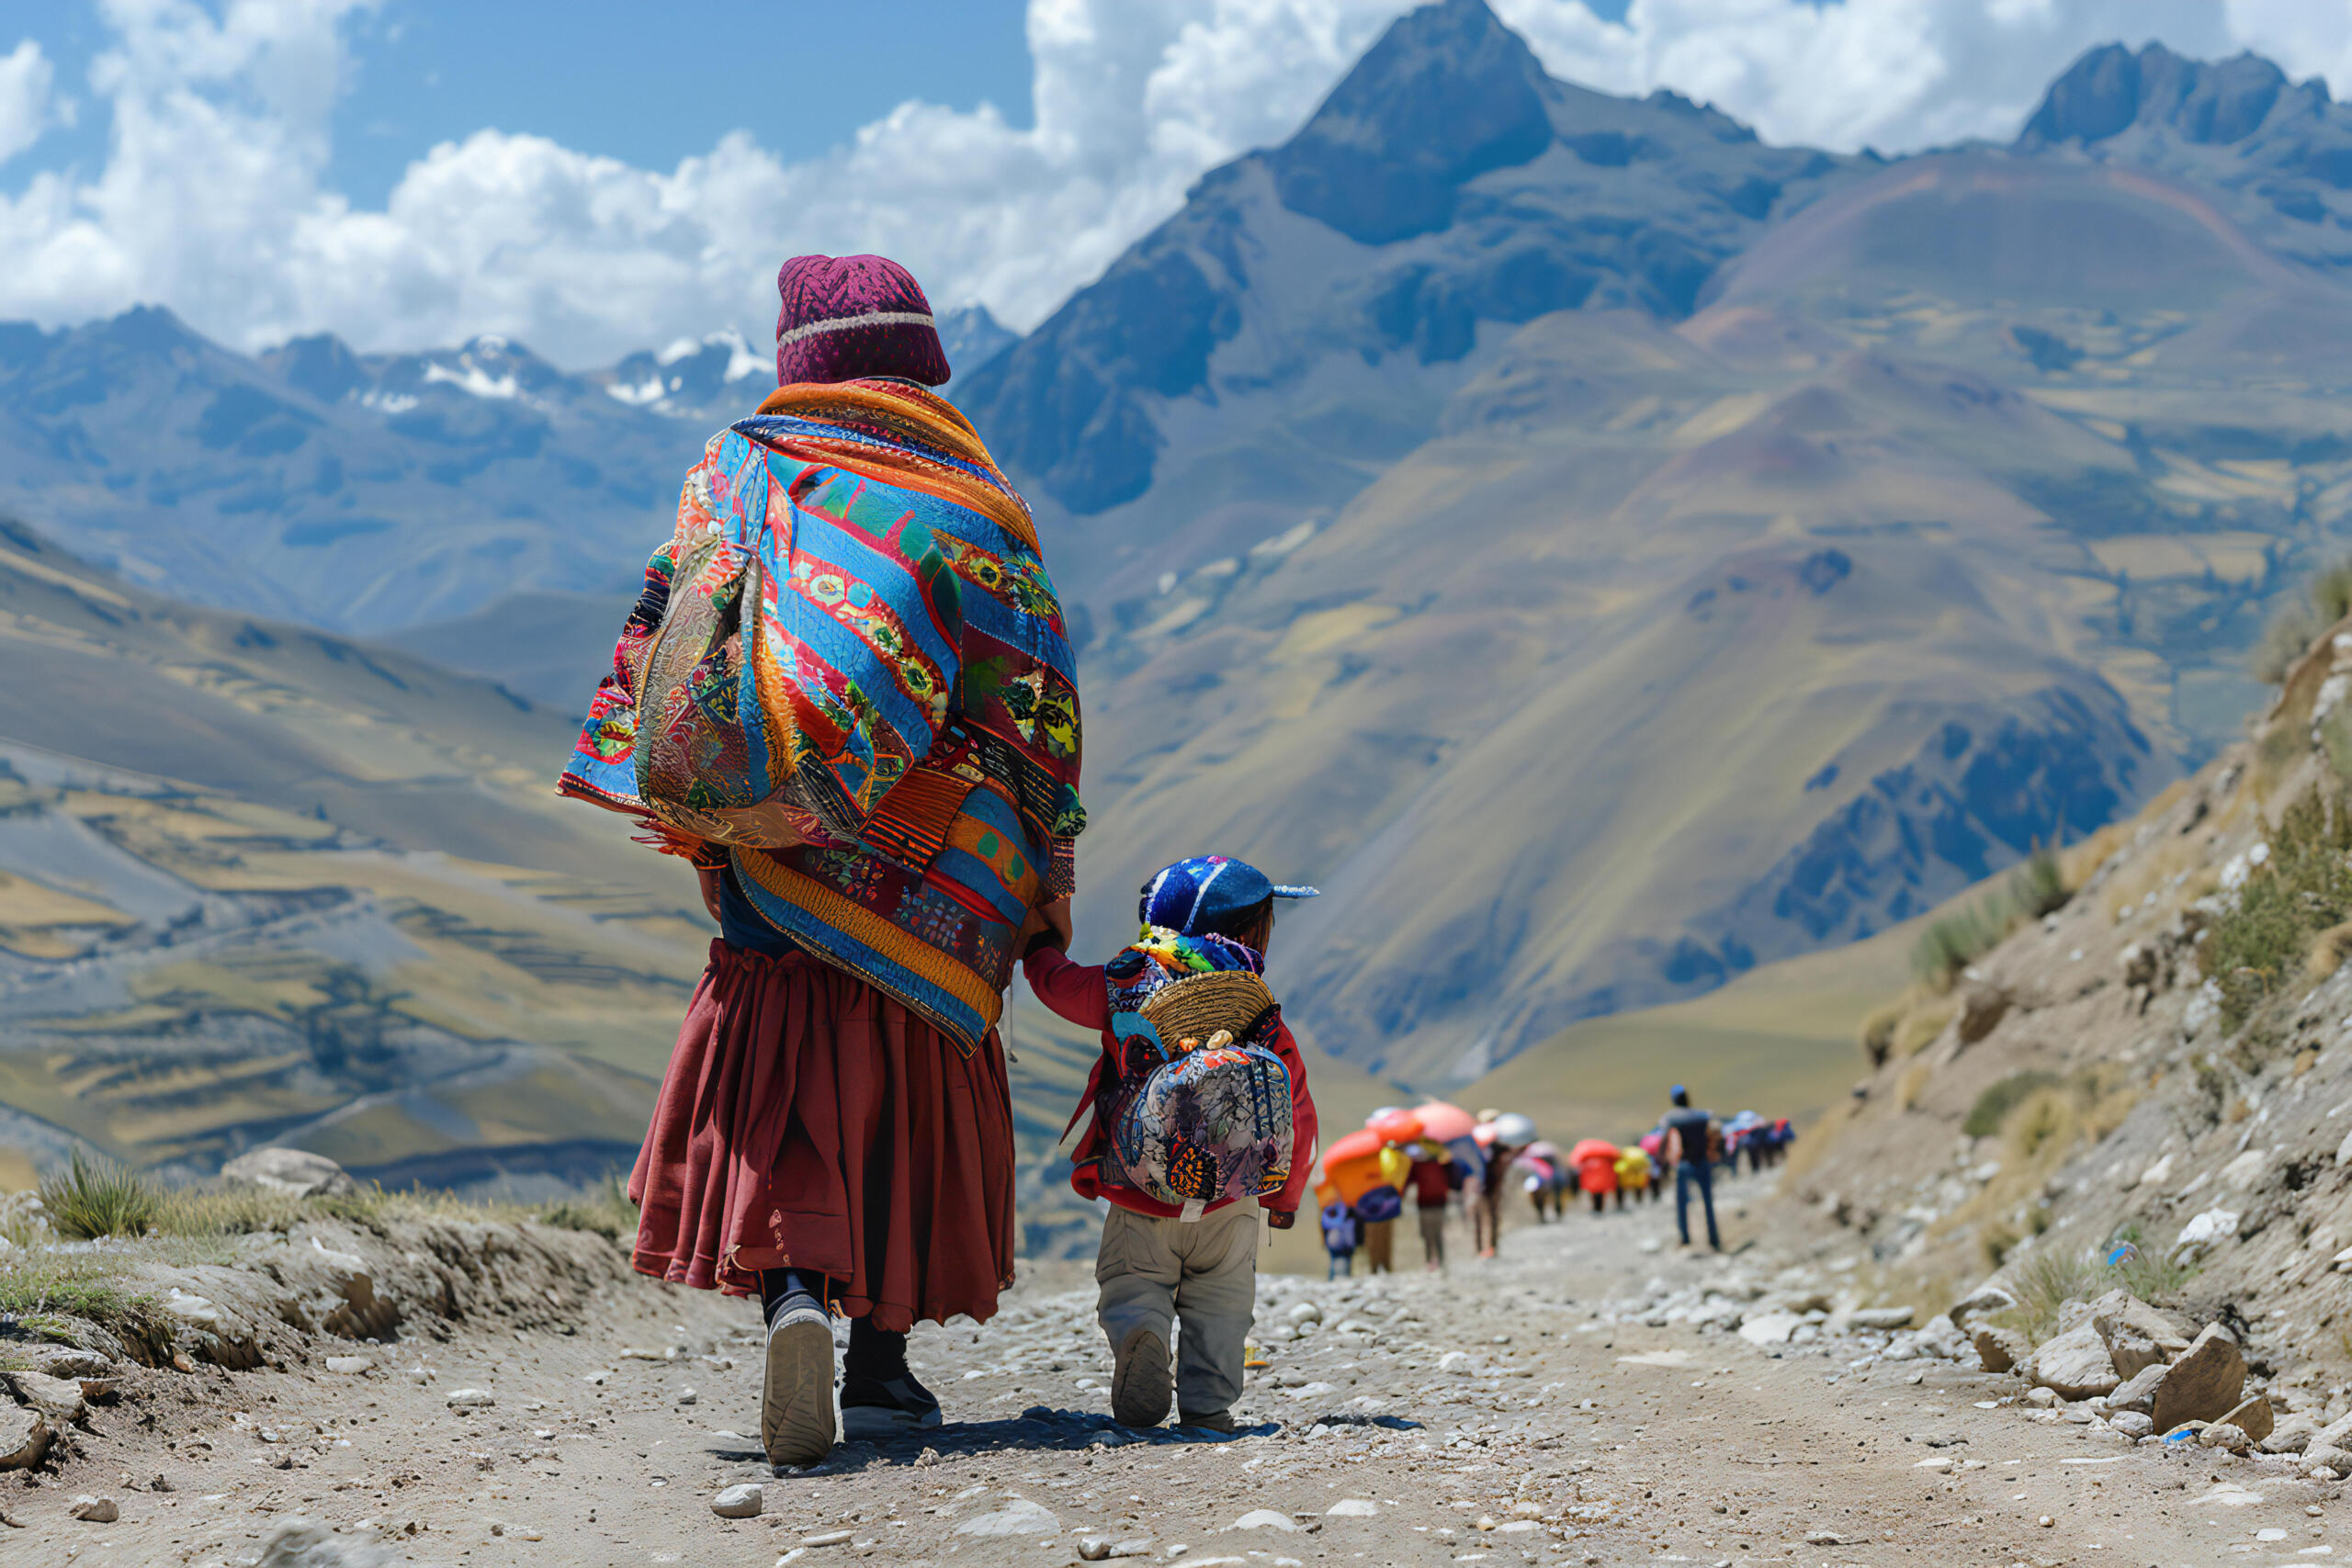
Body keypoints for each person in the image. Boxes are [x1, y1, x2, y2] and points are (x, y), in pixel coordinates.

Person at [558, 254, 1083, 1468]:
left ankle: (792, 1288)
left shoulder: (733, 468)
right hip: (934, 859)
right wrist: (1038, 859)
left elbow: (667, 637)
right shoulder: (978, 509)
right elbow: (1036, 703)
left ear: (796, 350)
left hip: (768, 847)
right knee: (904, 1069)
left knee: (789, 1069)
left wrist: (713, 819)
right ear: (924, 354)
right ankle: (885, 1366)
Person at [1023, 855, 1319, 1434]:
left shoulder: (1125, 983)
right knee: (1223, 1305)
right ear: (1248, 931)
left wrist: (1039, 951)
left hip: (1139, 1193)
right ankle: (1208, 1403)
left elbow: (1058, 988)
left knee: (1133, 1283)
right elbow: (1297, 1107)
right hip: (1232, 1203)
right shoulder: (1258, 1006)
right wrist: (1282, 1198)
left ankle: (1144, 1334)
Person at [1661, 1085, 1722, 1252]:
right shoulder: (1702, 1115)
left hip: (1684, 1163)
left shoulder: (1671, 1118)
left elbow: (1665, 1141)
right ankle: (1714, 1238)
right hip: (1702, 1161)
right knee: (1708, 1201)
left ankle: (1685, 1239)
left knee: (1682, 1202)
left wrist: (1663, 1164)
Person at [1408, 1143, 1453, 1268]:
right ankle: (1440, 1260)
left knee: (1428, 1234)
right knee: (1436, 1233)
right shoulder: (1441, 1164)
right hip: (1439, 1202)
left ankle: (1430, 1261)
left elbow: (1408, 1182)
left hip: (1426, 1204)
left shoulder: (1417, 1166)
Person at [1320, 1201, 1359, 1279]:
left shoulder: (1330, 1207)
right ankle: (1336, 1280)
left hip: (1341, 1242)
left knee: (1339, 1263)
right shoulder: (1335, 1208)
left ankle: (1335, 1280)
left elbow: (1324, 1223)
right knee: (1339, 1263)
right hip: (1340, 1242)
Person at [1614, 1142, 1652, 1208]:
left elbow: (1618, 1168)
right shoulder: (1642, 1153)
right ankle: (1639, 1201)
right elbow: (1647, 1164)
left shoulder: (1625, 1152)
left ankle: (1620, 1203)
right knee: (1638, 1188)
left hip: (1626, 1176)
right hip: (1639, 1176)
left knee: (1621, 1189)